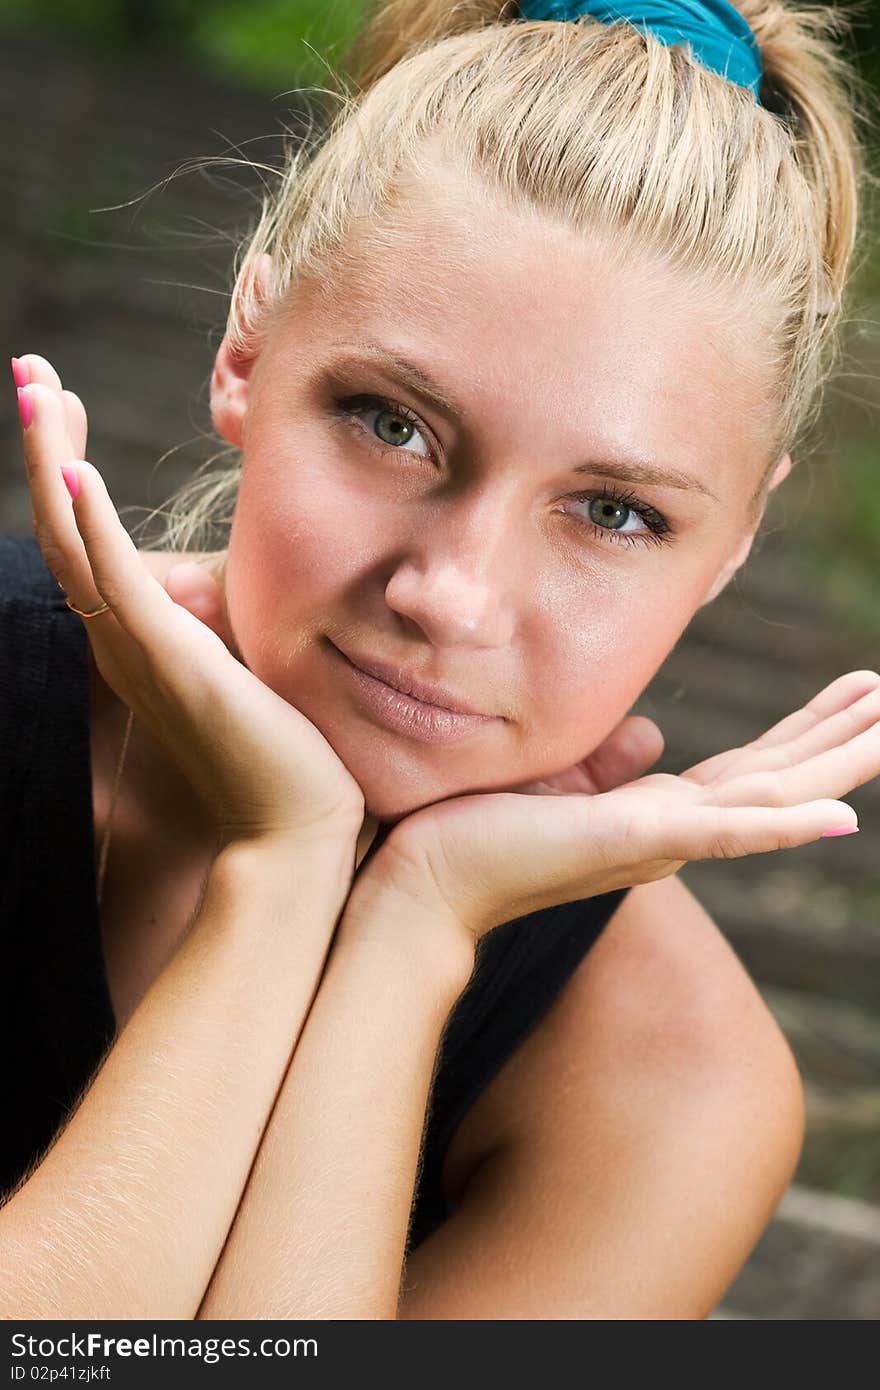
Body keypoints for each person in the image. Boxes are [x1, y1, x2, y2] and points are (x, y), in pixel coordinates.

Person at [1, 0, 877, 1321]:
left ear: (738, 538)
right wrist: (286, 858)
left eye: (615, 510)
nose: (451, 597)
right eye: (391, 424)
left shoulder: (674, 1081)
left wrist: (410, 927)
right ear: (247, 348)